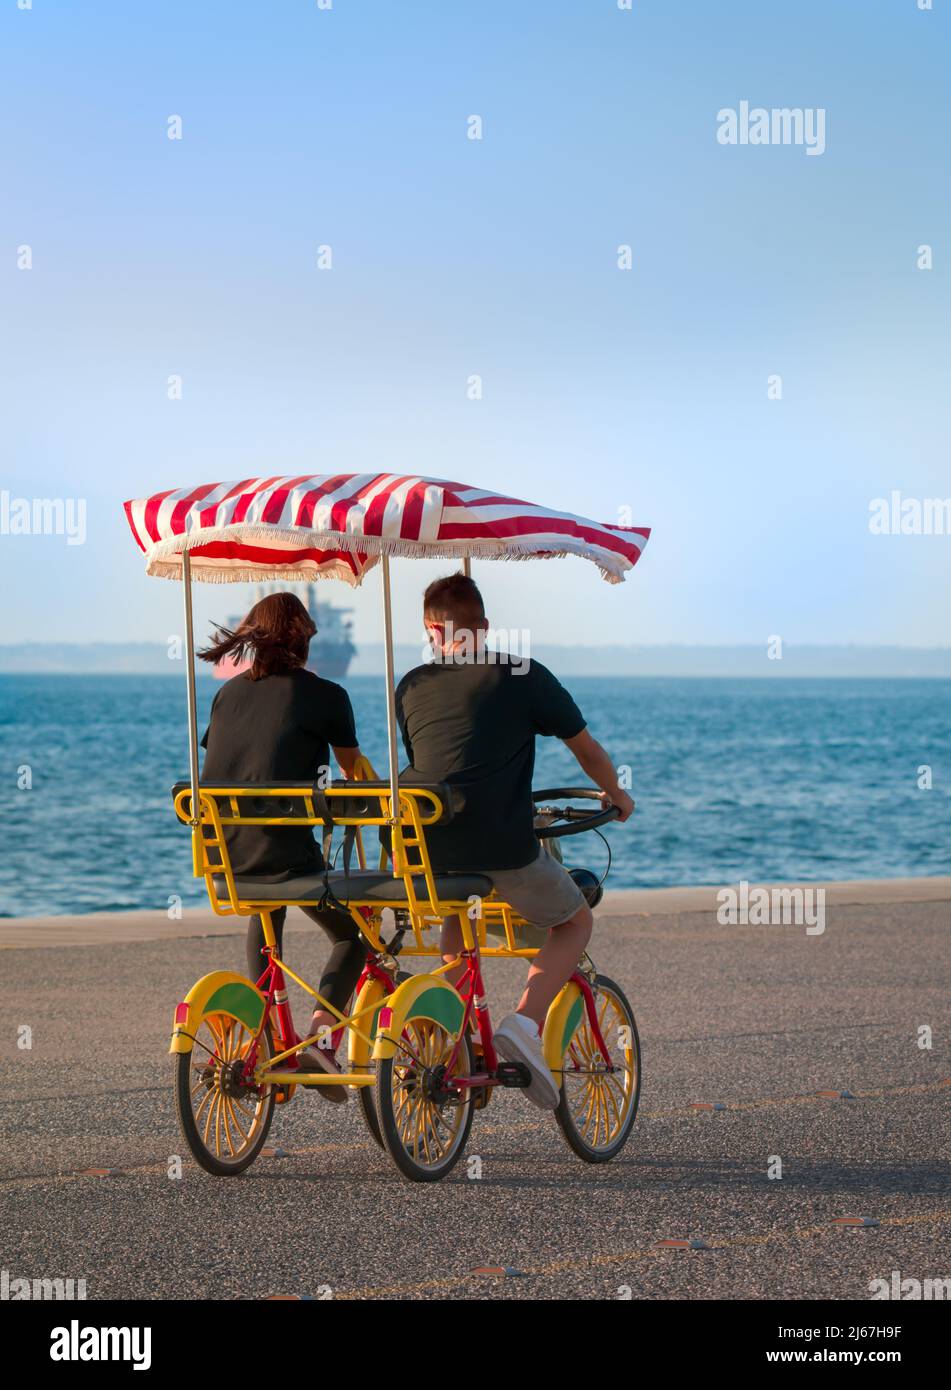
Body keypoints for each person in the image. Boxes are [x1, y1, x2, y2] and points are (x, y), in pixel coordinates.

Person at [394, 573, 635, 1111]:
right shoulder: (522, 673)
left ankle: (457, 1041)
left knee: (459, 911)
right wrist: (616, 795)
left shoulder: (409, 683)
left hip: (427, 850)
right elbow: (587, 750)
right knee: (574, 921)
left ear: (432, 628)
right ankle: (523, 1024)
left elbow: (430, 761)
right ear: (483, 626)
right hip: (500, 846)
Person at [198, 591, 364, 1103]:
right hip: (289, 859)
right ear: (305, 642)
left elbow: (236, 758)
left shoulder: (227, 696)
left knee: (265, 910)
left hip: (227, 860)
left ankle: (269, 1027)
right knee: (352, 939)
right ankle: (321, 1035)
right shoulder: (327, 696)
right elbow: (353, 770)